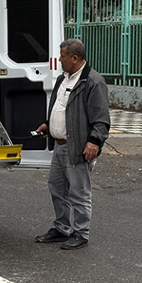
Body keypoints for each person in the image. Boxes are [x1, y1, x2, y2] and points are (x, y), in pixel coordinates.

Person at [33, 39, 110, 251]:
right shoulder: (63, 79)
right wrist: (49, 125)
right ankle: (62, 228)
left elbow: (101, 119)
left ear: (74, 58)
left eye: (63, 56)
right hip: (59, 146)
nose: (60, 60)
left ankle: (81, 233)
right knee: (57, 188)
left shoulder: (93, 82)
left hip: (76, 147)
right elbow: (61, 108)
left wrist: (94, 142)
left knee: (79, 192)